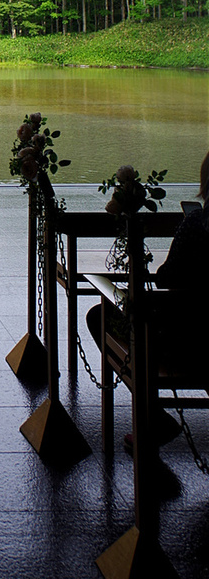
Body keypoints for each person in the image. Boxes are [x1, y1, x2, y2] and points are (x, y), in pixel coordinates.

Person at [86, 150, 209, 446]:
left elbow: (167, 276)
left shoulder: (196, 225)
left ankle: (152, 414)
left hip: (188, 342)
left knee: (99, 316)